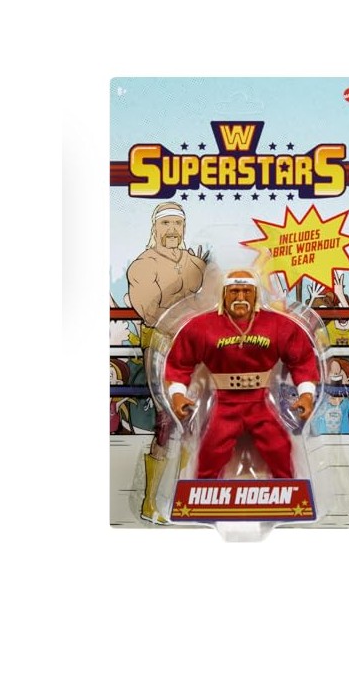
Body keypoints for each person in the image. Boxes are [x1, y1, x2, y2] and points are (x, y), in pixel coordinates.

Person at [165, 270, 319, 479]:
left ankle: (289, 490)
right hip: (225, 404)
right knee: (210, 452)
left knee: (280, 447)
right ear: (224, 294)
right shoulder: (202, 326)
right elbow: (179, 361)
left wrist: (307, 394)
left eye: (246, 291)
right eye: (234, 291)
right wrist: (177, 394)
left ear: (256, 294)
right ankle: (202, 492)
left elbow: (302, 358)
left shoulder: (277, 324)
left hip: (260, 403)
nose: (240, 297)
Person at [127, 202, 208, 524]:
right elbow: (151, 312)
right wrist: (190, 288)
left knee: (195, 419)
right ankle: (150, 503)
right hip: (161, 343)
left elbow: (210, 303)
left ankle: (183, 496)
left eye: (177, 223)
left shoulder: (195, 263)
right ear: (155, 227)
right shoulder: (143, 265)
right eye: (166, 224)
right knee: (166, 419)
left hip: (196, 344)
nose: (172, 230)